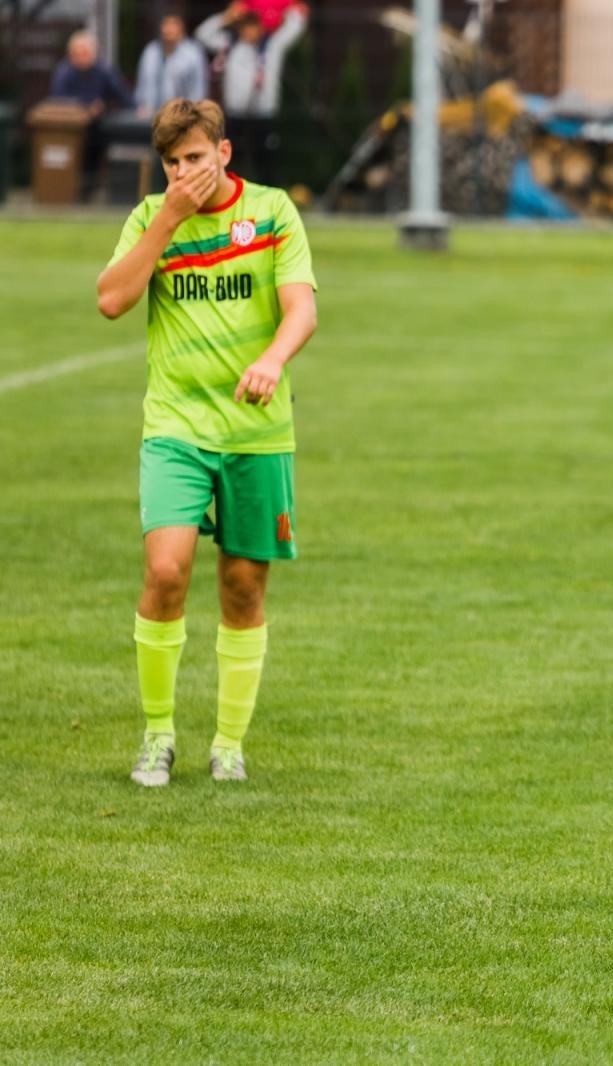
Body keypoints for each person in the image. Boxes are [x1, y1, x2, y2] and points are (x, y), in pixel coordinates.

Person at [95, 98, 318, 786]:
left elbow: (302, 307)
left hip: (257, 432)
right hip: (176, 429)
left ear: (223, 154)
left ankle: (228, 743)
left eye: (194, 158)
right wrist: (167, 218)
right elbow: (110, 299)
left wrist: (273, 360)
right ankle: (157, 734)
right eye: (171, 163)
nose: (184, 172)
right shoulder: (151, 219)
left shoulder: (274, 211)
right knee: (165, 572)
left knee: (244, 587)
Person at [195, 3, 306, 185]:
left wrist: (293, 11)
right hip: (235, 115)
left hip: (263, 115)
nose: (250, 31)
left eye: (254, 26)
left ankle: (267, 202)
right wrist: (226, 17)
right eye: (246, 26)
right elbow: (202, 34)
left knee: (266, 163)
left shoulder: (272, 47)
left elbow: (293, 28)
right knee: (231, 161)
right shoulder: (229, 45)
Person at [49, 30, 133, 191]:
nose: (81, 58)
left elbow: (123, 96)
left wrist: (106, 108)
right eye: (77, 54)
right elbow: (58, 101)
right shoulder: (63, 73)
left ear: (95, 53)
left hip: (98, 127)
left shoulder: (103, 71)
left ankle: (95, 187)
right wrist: (85, 108)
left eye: (85, 53)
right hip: (68, 130)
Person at [134, 13, 210, 117]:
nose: (167, 29)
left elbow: (198, 90)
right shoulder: (150, 52)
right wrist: (142, 106)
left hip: (182, 117)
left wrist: (192, 114)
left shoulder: (193, 54)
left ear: (181, 29)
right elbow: (143, 85)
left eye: (172, 25)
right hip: (151, 115)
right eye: (165, 25)